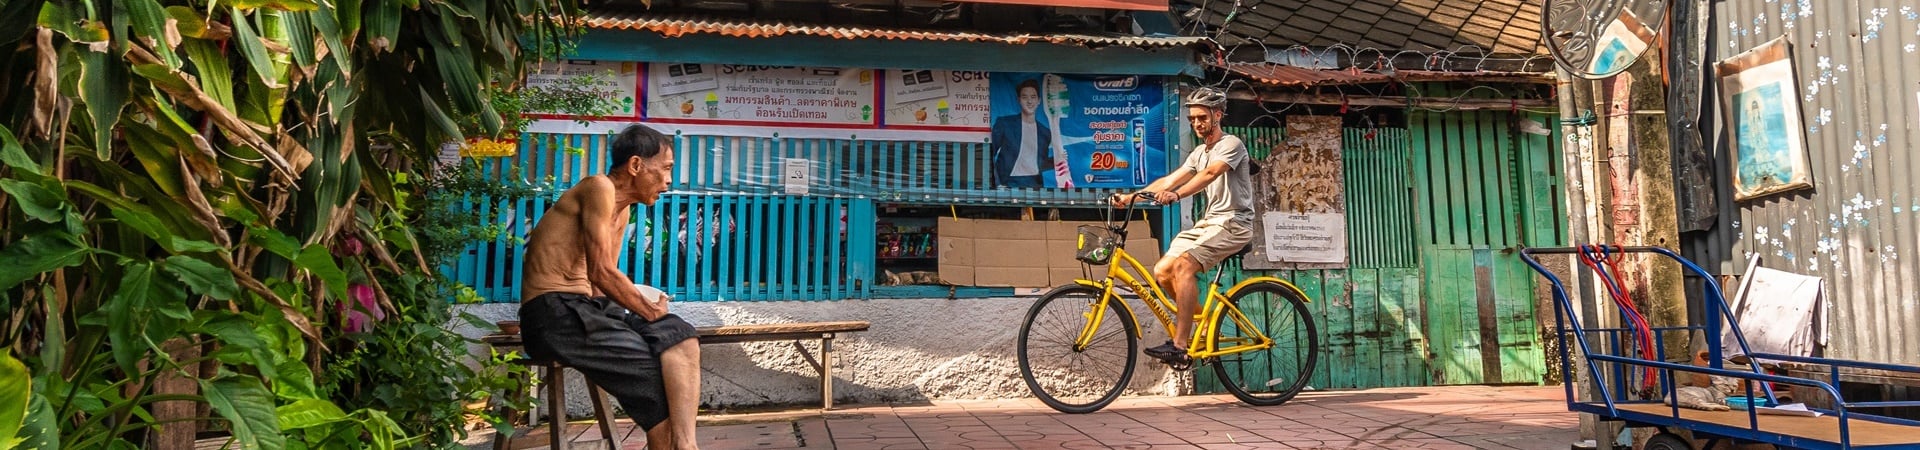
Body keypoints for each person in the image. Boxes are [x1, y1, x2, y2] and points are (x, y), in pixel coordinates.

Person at [519, 124, 702, 450]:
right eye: (666, 169)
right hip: (550, 313)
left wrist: (649, 315)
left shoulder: (624, 208)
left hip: (584, 307)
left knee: (679, 334)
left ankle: (687, 445)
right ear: (635, 166)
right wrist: (647, 310)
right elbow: (601, 271)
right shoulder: (598, 187)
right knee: (650, 373)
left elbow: (600, 287)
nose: (669, 181)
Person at [1111, 87, 1254, 365]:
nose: (1197, 124)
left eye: (1202, 117)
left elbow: (1211, 174)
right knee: (1163, 271)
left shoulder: (1231, 144)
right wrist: (1131, 197)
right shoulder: (1199, 152)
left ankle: (1180, 343)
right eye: (1192, 119)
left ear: (1217, 115)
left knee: (1183, 266)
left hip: (1235, 222)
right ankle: (1204, 328)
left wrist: (1178, 195)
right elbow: (1169, 180)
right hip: (1210, 223)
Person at [991, 79, 1054, 188]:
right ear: (1018, 100)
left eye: (1033, 97)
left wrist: (1056, 160)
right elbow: (990, 154)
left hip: (1034, 183)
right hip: (1007, 182)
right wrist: (997, 183)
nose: (1029, 101)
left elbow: (1039, 163)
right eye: (1025, 97)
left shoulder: (1045, 132)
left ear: (1039, 101)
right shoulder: (1005, 124)